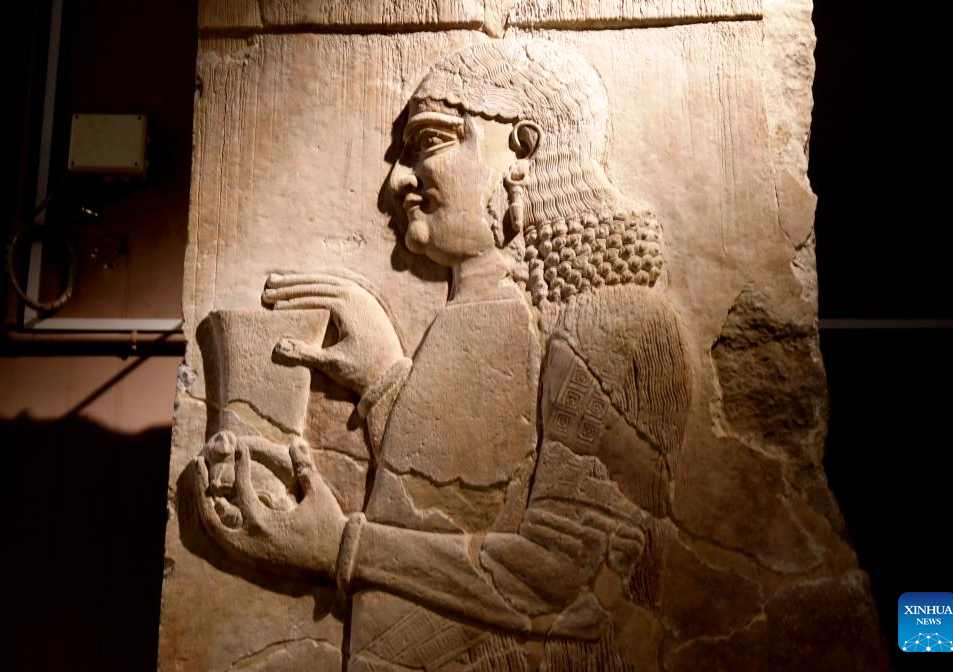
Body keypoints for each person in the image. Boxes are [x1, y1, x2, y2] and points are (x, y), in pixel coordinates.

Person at [195, 39, 692, 670]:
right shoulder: (478, 317)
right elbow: (464, 505)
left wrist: (340, 546)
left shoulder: (613, 325)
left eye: (429, 140)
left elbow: (568, 582)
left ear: (523, 149)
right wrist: (384, 382)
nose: (397, 180)